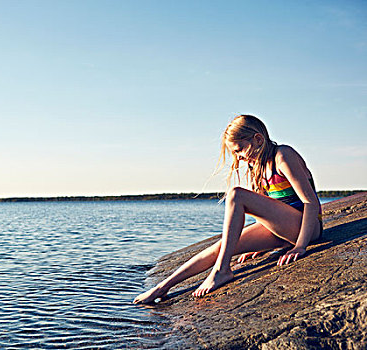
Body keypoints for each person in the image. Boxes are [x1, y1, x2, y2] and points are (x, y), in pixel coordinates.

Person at [133, 115, 322, 304]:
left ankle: (222, 270)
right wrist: (261, 244)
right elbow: (267, 206)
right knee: (223, 246)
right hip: (284, 229)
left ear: (258, 139)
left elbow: (310, 202)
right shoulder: (257, 166)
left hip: (309, 229)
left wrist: (300, 246)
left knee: (236, 195)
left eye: (239, 150)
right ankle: (162, 287)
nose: (238, 158)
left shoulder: (283, 156)